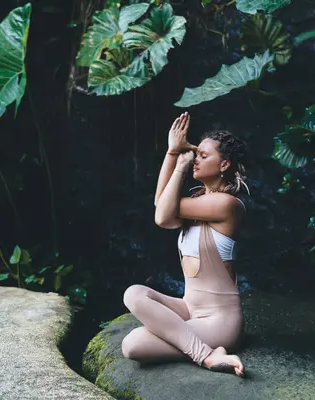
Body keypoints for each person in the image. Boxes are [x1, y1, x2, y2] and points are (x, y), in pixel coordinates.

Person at [121, 112, 249, 377]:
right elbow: (161, 205)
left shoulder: (226, 205)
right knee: (134, 293)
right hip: (190, 308)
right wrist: (171, 152)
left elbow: (162, 215)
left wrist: (180, 166)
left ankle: (208, 356)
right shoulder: (199, 203)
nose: (195, 159)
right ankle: (206, 352)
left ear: (224, 165)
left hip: (219, 320)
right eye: (195, 154)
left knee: (133, 345)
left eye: (203, 155)